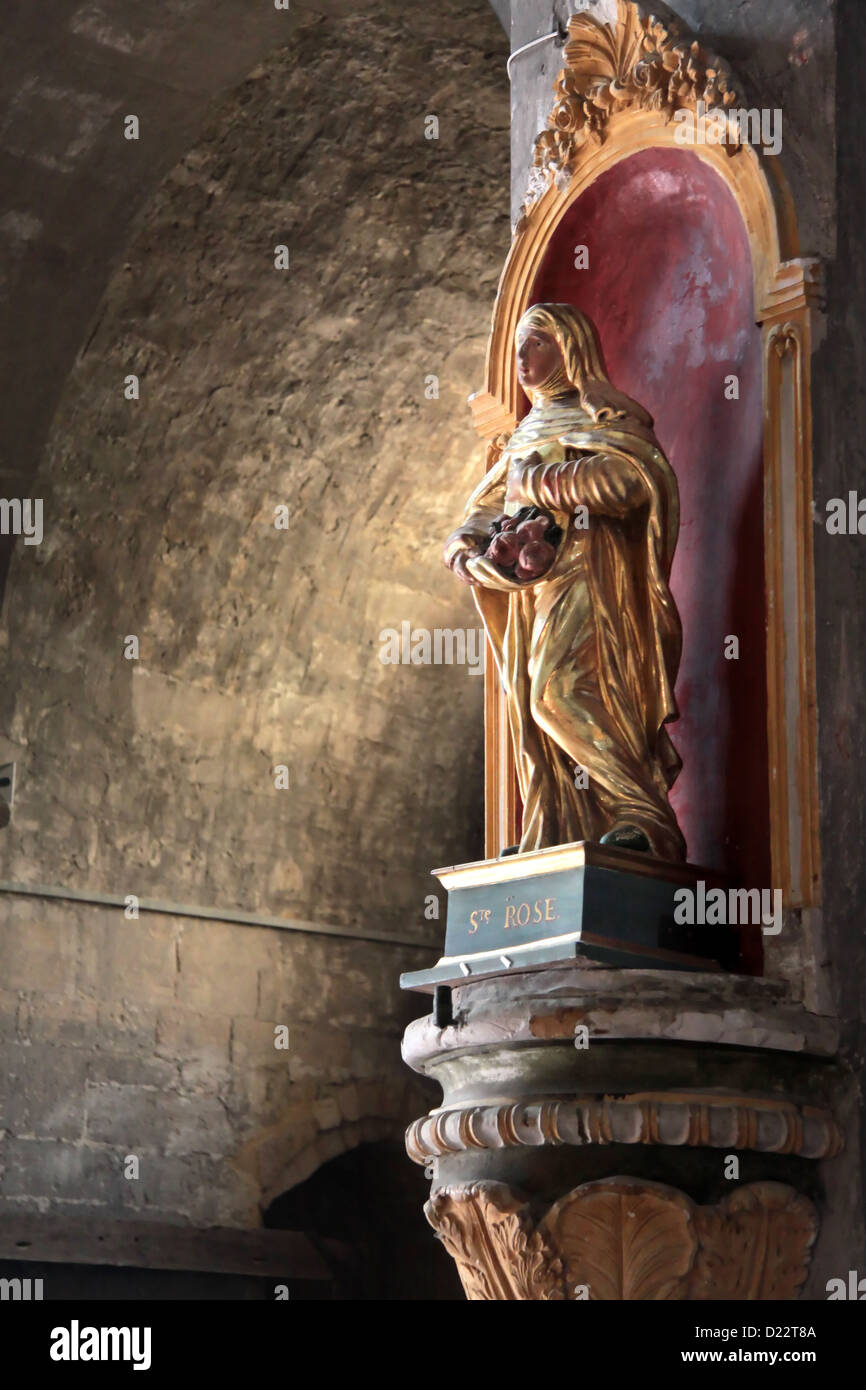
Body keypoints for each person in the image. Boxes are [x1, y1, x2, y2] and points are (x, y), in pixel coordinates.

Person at [443, 302, 686, 860]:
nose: (524, 360)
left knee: (561, 696)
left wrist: (549, 482)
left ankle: (646, 819)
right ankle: (559, 829)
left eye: (537, 345)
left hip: (592, 582)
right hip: (533, 592)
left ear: (570, 349)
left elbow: (636, 480)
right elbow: (490, 505)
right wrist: (463, 544)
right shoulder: (526, 429)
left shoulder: (604, 415)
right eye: (519, 349)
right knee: (531, 706)